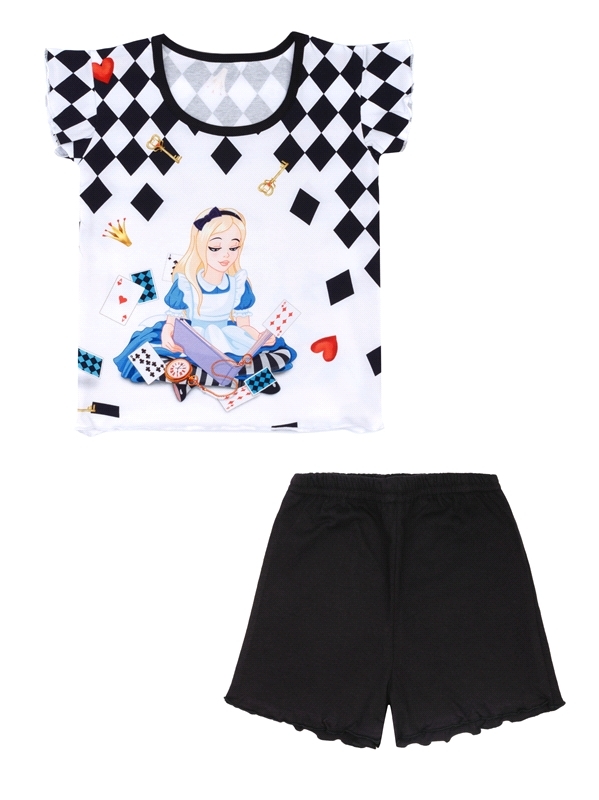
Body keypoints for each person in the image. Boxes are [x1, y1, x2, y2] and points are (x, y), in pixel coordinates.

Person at [114, 207, 297, 398]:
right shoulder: (186, 283)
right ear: (201, 246)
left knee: (281, 356)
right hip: (193, 337)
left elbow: (244, 325)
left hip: (228, 336)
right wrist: (167, 335)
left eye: (233, 248)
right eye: (215, 248)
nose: (226, 255)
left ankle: (190, 379)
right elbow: (171, 322)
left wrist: (259, 337)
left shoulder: (239, 283)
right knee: (143, 359)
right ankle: (241, 381)